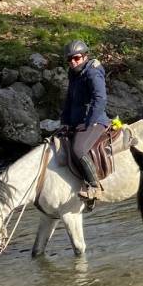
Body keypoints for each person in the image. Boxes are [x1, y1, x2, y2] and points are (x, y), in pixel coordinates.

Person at [60, 39, 109, 211]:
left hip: (95, 121)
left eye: (77, 58)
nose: (73, 62)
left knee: (79, 149)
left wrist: (90, 122)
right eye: (70, 59)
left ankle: (94, 186)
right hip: (77, 121)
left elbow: (100, 98)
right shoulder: (73, 74)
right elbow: (69, 101)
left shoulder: (93, 73)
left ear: (85, 56)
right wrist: (65, 122)